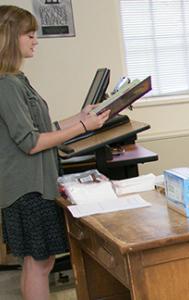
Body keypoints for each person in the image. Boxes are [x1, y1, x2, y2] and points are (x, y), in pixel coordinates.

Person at [0, 6, 110, 300]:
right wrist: (83, 127)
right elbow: (31, 142)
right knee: (39, 263)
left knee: (38, 262)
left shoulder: (17, 79)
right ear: (10, 37)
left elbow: (44, 127)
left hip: (34, 184)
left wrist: (81, 116)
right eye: (29, 34)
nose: (35, 40)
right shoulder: (6, 85)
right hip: (27, 189)